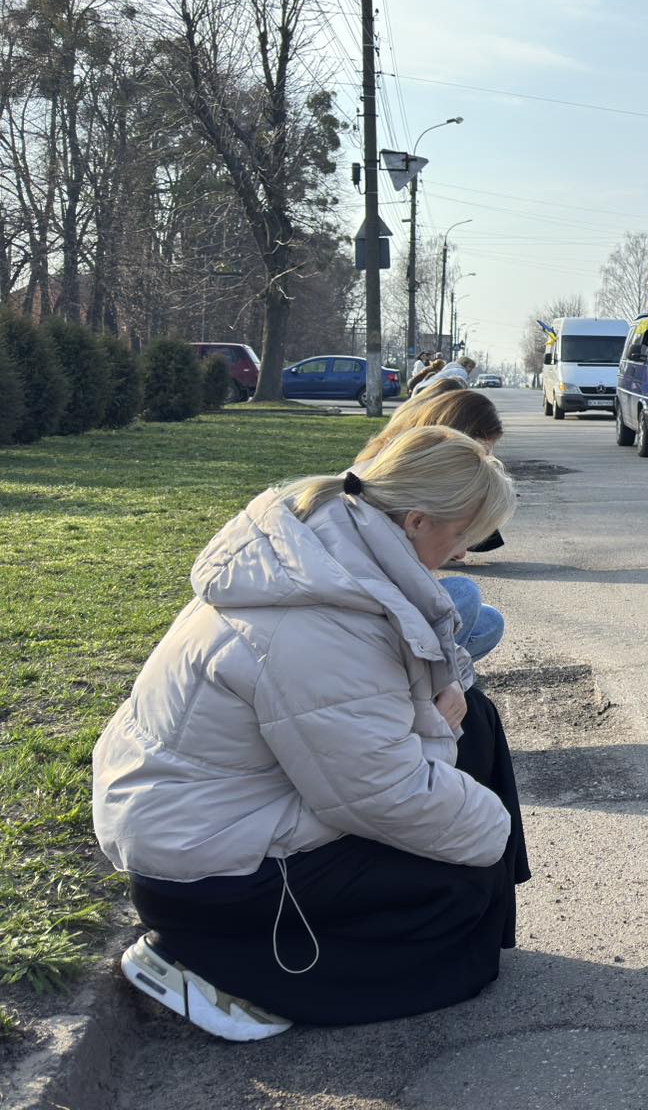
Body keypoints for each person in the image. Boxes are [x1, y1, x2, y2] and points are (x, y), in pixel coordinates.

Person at [92, 424, 527, 1041]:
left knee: (475, 721)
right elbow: (382, 792)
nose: (461, 555)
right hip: (207, 871)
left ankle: (475, 910)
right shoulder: (314, 623)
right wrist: (495, 835)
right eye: (462, 537)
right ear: (417, 522)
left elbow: (423, 645)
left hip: (215, 814)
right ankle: (210, 963)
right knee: (458, 884)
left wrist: (445, 710)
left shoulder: (332, 544)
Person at [358, 385, 511, 654]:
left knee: (488, 622)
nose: (463, 554)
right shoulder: (387, 487)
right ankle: (435, 681)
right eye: (480, 455)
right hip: (364, 632)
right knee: (464, 594)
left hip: (371, 618)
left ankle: (446, 678)